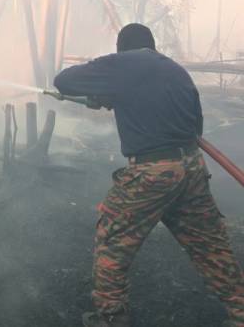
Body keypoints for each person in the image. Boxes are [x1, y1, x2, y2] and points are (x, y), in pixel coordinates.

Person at [54, 23, 244, 327]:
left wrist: (108, 87)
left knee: (112, 241)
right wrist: (116, 97)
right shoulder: (175, 70)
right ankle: (240, 312)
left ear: (122, 48)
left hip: (152, 173)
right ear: (152, 45)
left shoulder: (124, 63)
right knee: (211, 246)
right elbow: (195, 127)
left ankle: (111, 319)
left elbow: (63, 81)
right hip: (192, 168)